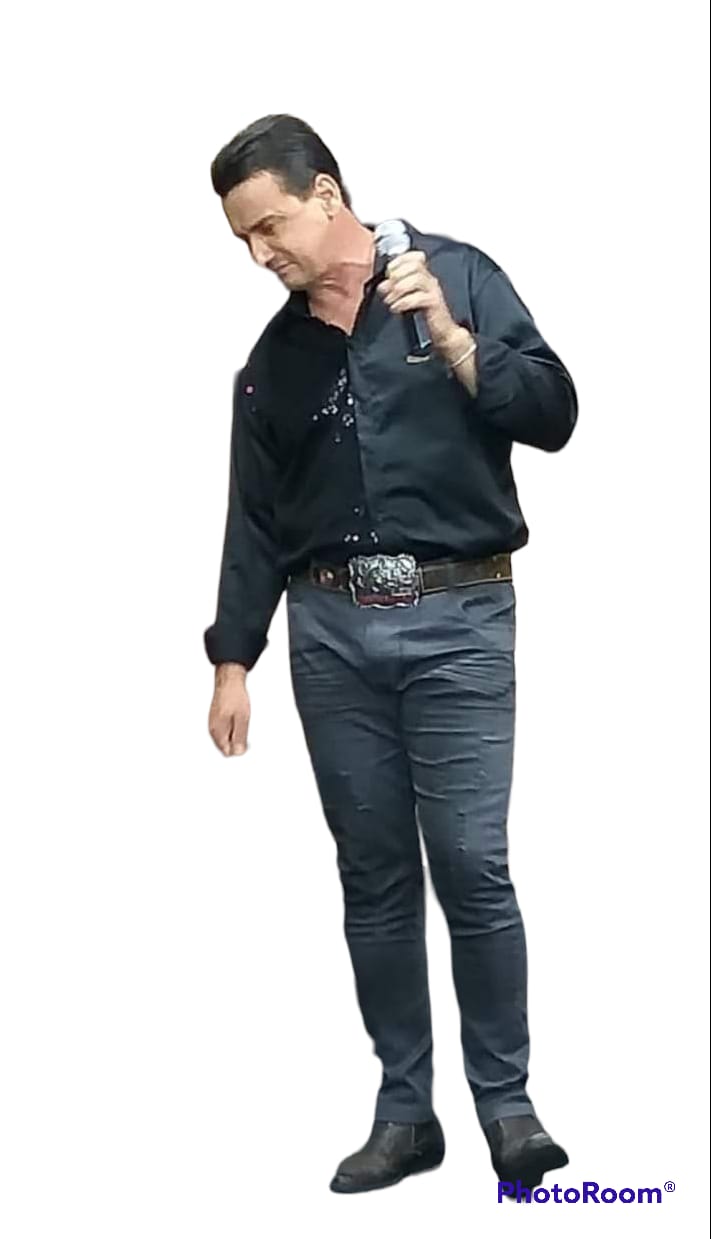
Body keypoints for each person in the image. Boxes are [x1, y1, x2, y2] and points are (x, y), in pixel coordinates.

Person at [204, 113, 578, 1195]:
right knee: (372, 877)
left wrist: (460, 345)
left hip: (460, 619)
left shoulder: (456, 276)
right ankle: (406, 1113)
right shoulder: (272, 363)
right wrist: (233, 658)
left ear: (325, 194)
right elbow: (254, 519)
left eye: (269, 226)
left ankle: (507, 1106)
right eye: (241, 240)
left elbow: (556, 412)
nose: (259, 253)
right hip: (329, 639)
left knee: (470, 864)